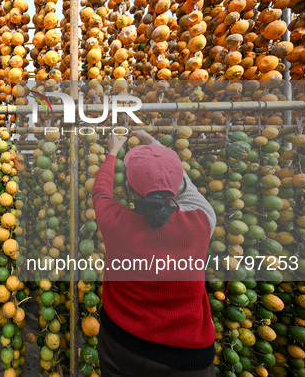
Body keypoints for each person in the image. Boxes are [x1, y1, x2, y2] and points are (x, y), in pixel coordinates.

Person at [92, 130, 217, 377]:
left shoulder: (115, 222)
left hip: (121, 344)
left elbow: (101, 192)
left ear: (128, 188)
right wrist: (160, 153)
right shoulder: (202, 221)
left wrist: (112, 153)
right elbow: (187, 189)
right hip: (185, 358)